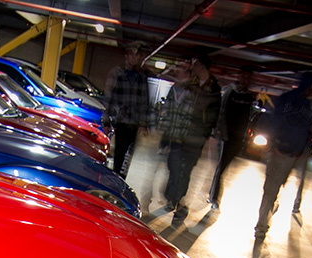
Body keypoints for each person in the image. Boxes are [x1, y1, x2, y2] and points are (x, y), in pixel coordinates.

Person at [253, 73, 312, 239]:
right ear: (306, 85)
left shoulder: (306, 105)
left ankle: (269, 212)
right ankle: (261, 225)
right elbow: (275, 122)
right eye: (311, 87)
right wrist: (273, 144)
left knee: (276, 187)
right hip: (279, 151)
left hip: (293, 154)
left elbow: (304, 127)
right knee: (270, 188)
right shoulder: (286, 99)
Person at [161, 52, 220, 225]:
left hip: (196, 136)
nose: (192, 67)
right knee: (174, 166)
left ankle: (178, 203)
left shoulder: (213, 88)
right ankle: (173, 198)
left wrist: (207, 132)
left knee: (184, 169)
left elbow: (213, 113)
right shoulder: (191, 84)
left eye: (194, 63)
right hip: (181, 132)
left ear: (201, 65)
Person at [207, 66, 255, 211]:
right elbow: (222, 111)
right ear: (239, 77)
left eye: (248, 78)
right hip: (226, 137)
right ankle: (214, 197)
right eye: (243, 76)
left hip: (237, 139)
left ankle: (213, 194)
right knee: (220, 168)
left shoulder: (249, 97)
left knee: (223, 168)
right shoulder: (231, 91)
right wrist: (220, 132)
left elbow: (248, 118)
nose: (245, 80)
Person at [104, 42, 151, 176]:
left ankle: (122, 179)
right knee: (118, 154)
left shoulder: (141, 77)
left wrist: (143, 123)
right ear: (128, 55)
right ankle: (115, 178)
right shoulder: (117, 73)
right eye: (136, 55)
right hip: (120, 121)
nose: (138, 59)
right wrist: (106, 121)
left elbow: (144, 101)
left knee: (128, 157)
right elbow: (108, 98)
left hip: (134, 123)